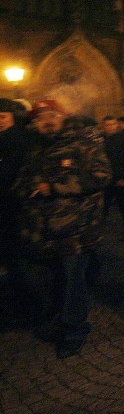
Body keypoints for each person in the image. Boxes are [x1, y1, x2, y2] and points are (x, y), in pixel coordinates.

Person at [14, 100, 112, 358]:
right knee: (54, 281)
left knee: (72, 283)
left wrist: (55, 187)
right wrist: (29, 188)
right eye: (41, 117)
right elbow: (21, 184)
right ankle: (59, 322)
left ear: (62, 117)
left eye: (52, 115)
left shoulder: (82, 144)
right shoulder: (35, 150)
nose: (48, 120)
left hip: (76, 231)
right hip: (43, 232)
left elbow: (101, 176)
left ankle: (74, 331)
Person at [0, 98, 33, 329]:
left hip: (11, 209)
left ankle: (21, 308)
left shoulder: (16, 140)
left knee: (13, 261)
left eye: (2, 117)